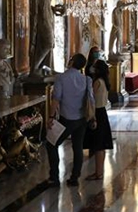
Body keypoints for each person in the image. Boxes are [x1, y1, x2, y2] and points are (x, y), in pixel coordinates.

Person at [47, 54, 95, 187]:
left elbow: (56, 98)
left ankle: (54, 177)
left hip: (67, 118)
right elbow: (91, 100)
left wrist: (51, 117)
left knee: (51, 144)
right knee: (77, 147)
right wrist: (93, 118)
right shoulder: (86, 79)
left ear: (71, 61)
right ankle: (74, 177)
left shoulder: (61, 78)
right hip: (82, 119)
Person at [83, 60, 113, 180]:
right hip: (102, 112)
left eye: (94, 67)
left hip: (97, 113)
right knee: (101, 145)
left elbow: (91, 99)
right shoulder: (105, 81)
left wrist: (91, 117)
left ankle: (98, 173)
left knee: (98, 146)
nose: (92, 68)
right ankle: (99, 171)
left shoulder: (97, 82)